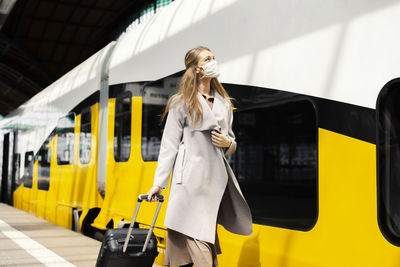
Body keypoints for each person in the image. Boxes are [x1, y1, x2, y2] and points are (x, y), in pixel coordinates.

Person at [147, 46, 253, 267]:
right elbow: (169, 145)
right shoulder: (181, 101)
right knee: (196, 237)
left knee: (196, 236)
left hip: (214, 181)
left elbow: (231, 140)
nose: (213, 61)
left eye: (214, 57)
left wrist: (229, 143)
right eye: (208, 59)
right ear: (196, 69)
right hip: (188, 182)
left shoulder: (224, 102)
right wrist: (159, 184)